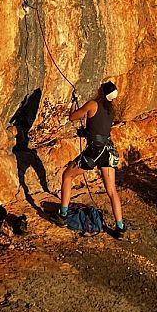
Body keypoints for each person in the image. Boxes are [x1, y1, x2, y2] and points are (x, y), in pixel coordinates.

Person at [59, 80, 125, 237]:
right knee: (111, 190)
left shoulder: (92, 104)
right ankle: (120, 227)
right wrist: (87, 132)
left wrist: (73, 101)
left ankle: (62, 215)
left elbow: (72, 117)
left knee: (67, 176)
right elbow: (99, 129)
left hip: (95, 152)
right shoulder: (111, 110)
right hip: (108, 151)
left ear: (101, 92)